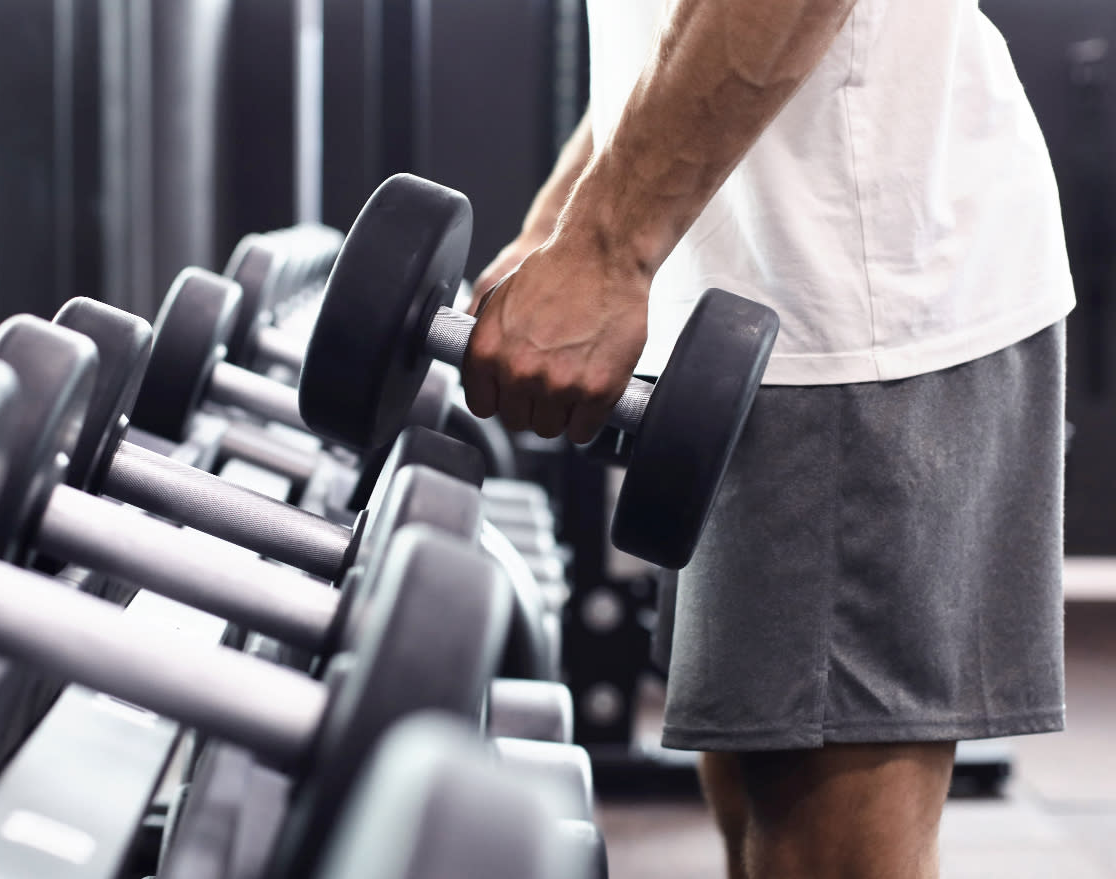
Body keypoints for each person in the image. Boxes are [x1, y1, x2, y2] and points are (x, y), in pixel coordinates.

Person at [460, 1, 1075, 877]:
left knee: (826, 849)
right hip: (737, 303)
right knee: (757, 800)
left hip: (847, 307)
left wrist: (604, 248)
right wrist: (563, 228)